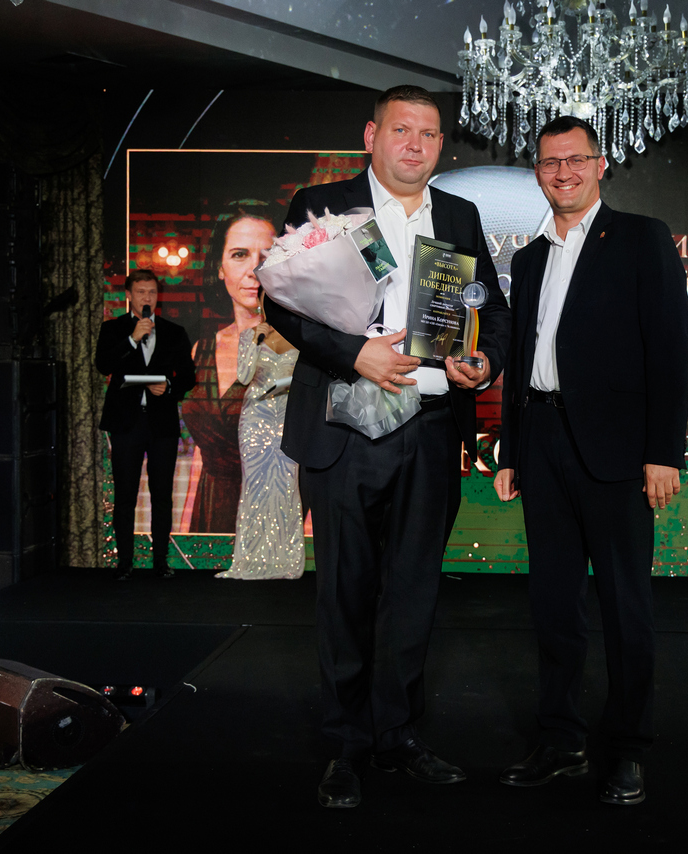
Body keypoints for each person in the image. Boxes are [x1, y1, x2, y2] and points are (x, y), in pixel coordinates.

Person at [263, 85, 512, 809]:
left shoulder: (458, 215)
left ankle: (398, 736)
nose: (415, 145)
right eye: (401, 130)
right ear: (372, 136)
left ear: (440, 146)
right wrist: (354, 354)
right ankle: (345, 746)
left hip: (430, 428)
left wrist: (485, 361)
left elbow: (490, 311)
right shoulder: (323, 203)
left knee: (413, 593)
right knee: (345, 593)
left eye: (428, 134)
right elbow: (281, 299)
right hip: (345, 428)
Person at [493, 116, 688, 806]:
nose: (564, 172)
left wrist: (663, 452)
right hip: (541, 443)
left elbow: (671, 349)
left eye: (576, 160)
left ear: (601, 165)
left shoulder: (641, 238)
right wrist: (511, 449)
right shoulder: (528, 259)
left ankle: (629, 749)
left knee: (624, 606)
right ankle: (560, 741)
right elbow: (520, 359)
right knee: (553, 606)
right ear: (538, 173)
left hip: (618, 454)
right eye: (551, 162)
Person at [183, 209, 295, 540]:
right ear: (219, 267)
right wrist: (188, 530)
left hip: (272, 511)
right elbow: (201, 453)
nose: (253, 269)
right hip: (210, 511)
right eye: (239, 254)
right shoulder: (201, 349)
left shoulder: (296, 349)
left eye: (266, 255)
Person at [207, 211, 303, 580]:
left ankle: (285, 563)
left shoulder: (298, 337)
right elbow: (245, 376)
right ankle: (249, 561)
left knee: (286, 492)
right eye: (239, 255)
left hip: (286, 419)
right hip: (256, 420)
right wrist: (256, 340)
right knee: (256, 491)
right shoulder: (252, 336)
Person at [96, 269, 197, 580]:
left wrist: (169, 387)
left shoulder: (173, 332)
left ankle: (160, 562)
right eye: (140, 292)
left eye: (152, 292)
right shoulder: (113, 329)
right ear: (129, 295)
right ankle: (124, 562)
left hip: (161, 422)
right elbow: (103, 365)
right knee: (125, 494)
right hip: (126, 422)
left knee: (162, 494)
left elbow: (188, 377)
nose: (147, 297)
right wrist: (132, 339)